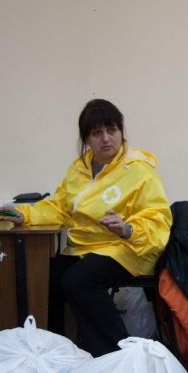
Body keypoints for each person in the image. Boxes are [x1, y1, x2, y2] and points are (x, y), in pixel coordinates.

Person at [0, 99, 172, 357]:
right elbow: (60, 207)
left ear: (121, 131)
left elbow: (158, 217)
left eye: (111, 130)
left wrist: (127, 229)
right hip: (87, 248)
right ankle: (55, 350)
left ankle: (117, 354)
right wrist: (23, 214)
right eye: (96, 133)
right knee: (48, 276)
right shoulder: (79, 169)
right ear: (86, 139)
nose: (106, 138)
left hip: (129, 247)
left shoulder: (139, 170)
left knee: (79, 280)